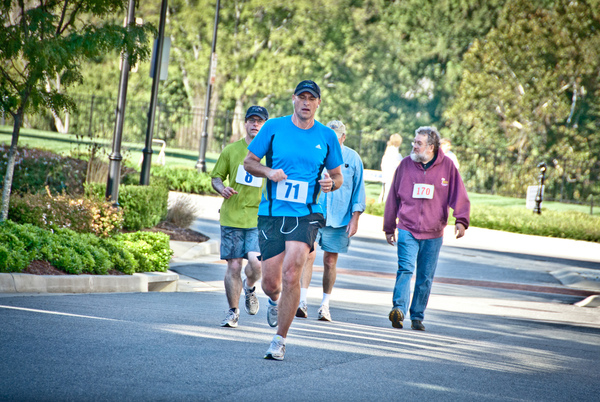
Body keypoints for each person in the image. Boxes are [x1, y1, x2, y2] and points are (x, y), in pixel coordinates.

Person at [243, 80, 344, 360]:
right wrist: (268, 172)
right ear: (294, 99)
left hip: (307, 214)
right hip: (273, 213)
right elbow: (248, 162)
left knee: (292, 274)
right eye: (302, 97)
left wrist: (330, 184)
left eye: (312, 98)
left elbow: (337, 176)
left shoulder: (326, 136)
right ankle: (274, 301)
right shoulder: (273, 127)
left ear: (318, 103)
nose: (306, 102)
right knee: (271, 283)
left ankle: (280, 340)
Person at [383, 126, 470, 331]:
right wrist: (389, 226)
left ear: (431, 147)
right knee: (405, 269)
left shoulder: (447, 167)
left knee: (425, 275)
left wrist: (461, 220)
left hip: (434, 231)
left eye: (418, 143)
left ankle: (417, 316)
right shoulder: (405, 165)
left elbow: (459, 194)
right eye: (414, 142)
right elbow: (393, 198)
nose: (414, 146)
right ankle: (399, 309)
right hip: (407, 228)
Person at [296, 120, 366, 322]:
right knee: (308, 256)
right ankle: (302, 301)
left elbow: (358, 191)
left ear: (343, 137)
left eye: (336, 137)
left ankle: (324, 305)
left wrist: (355, 218)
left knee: (329, 261)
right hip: (313, 213)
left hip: (339, 217)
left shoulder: (353, 159)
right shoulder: (314, 152)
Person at [211, 105, 269, 328]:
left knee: (256, 264)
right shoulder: (231, 150)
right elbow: (216, 177)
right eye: (252, 120)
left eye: (259, 121)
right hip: (232, 217)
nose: (255, 124)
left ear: (264, 125)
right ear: (245, 123)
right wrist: (222, 188)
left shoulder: (270, 153)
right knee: (234, 266)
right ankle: (233, 312)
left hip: (258, 218)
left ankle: (250, 286)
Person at [379, 133, 403, 203]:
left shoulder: (389, 149)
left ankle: (381, 204)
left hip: (387, 173)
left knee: (384, 190)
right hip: (390, 173)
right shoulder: (393, 150)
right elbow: (396, 163)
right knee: (387, 192)